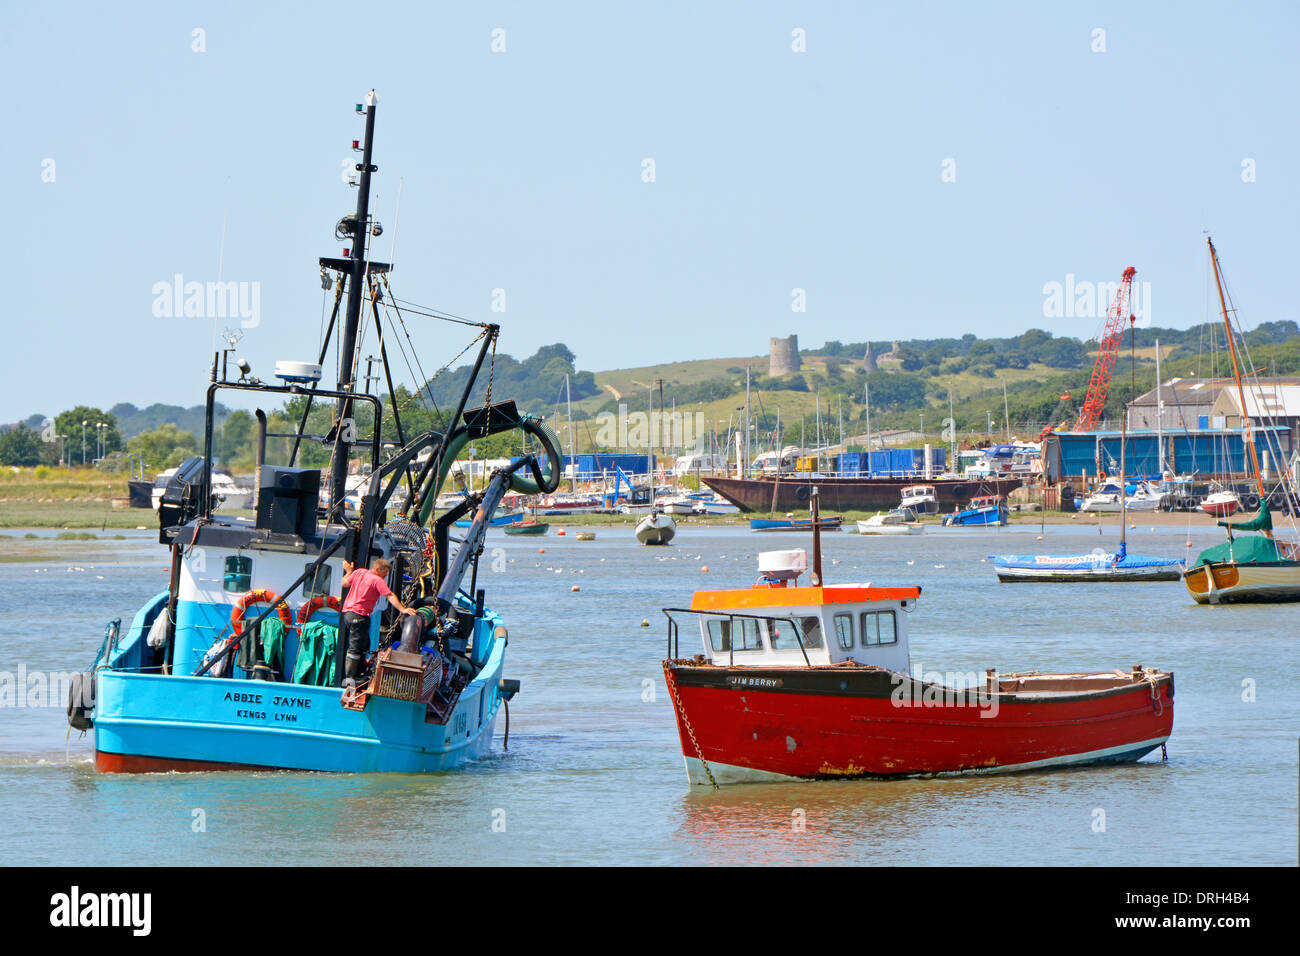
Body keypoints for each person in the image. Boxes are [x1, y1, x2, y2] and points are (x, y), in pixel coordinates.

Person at [339, 558, 417, 684]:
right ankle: (350, 679)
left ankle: (359, 673)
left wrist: (348, 571)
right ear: (377, 569)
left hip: (348, 614)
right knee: (356, 647)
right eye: (384, 573)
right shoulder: (377, 580)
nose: (385, 577)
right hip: (359, 615)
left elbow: (344, 583)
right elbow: (390, 595)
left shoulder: (359, 572)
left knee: (365, 644)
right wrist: (403, 609)